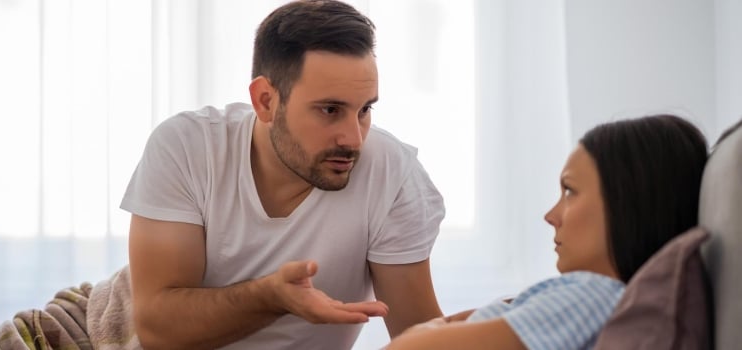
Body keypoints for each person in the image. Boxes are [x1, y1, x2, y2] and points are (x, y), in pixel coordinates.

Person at [120, 1, 445, 349]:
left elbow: (420, 336)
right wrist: (269, 298)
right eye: (330, 110)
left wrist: (491, 326)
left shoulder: (393, 175)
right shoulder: (187, 147)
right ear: (265, 101)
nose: (353, 140)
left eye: (365, 109)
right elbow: (157, 330)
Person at [384, 114, 708, 350]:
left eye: (569, 191)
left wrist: (432, 328)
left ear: (629, 204)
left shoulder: (590, 296)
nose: (551, 216)